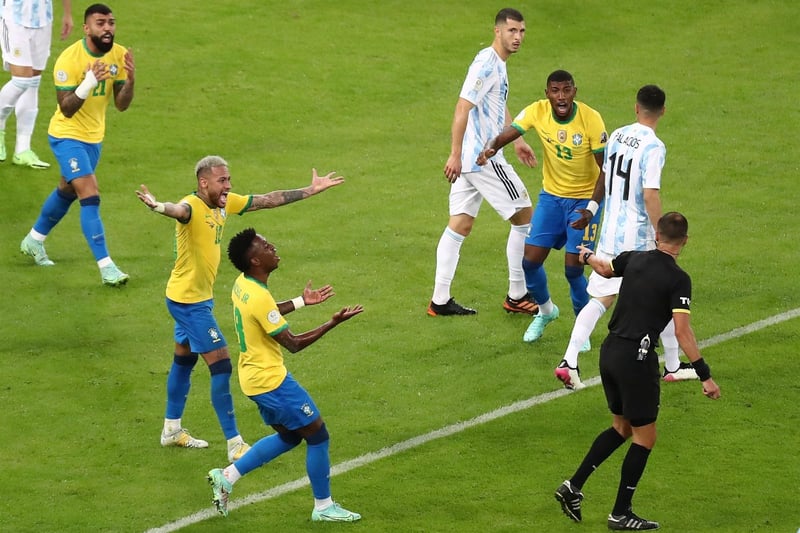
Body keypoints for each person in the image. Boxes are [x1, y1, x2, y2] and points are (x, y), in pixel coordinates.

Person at [135, 155, 345, 463]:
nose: (228, 185)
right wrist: (157, 206)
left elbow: (266, 200)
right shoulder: (192, 206)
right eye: (222, 180)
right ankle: (235, 443)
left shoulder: (223, 204)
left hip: (197, 298)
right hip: (188, 303)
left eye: (228, 180)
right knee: (220, 364)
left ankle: (171, 429)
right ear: (203, 182)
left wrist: (310, 190)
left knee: (184, 359)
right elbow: (178, 211)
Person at [554, 212, 721, 531]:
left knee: (621, 427)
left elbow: (604, 268)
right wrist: (705, 375)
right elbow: (683, 333)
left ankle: (572, 487)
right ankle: (620, 512)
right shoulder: (678, 279)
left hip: (610, 351)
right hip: (637, 360)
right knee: (645, 437)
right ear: (685, 241)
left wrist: (587, 256)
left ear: (657, 236)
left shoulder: (634, 258)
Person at [206, 227, 363, 522]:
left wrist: (302, 302)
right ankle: (324, 507)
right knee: (318, 435)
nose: (272, 247)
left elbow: (266, 314)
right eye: (265, 246)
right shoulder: (258, 295)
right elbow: (293, 344)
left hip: (253, 379)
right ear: (254, 261)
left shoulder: (243, 284)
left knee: (291, 436)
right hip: (271, 382)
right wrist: (332, 323)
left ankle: (227, 475)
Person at [554, 85, 698, 390]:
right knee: (665, 299)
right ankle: (672, 366)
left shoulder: (618, 134)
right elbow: (650, 194)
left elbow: (604, 174)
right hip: (641, 240)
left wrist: (592, 209)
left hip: (609, 235)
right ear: (663, 111)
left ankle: (569, 361)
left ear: (636, 107)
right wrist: (661, 235)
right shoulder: (654, 147)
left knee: (599, 300)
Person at [477, 69, 607, 342]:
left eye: (567, 90)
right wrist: (491, 147)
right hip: (551, 198)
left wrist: (592, 209)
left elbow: (605, 171)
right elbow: (509, 132)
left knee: (573, 269)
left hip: (584, 201)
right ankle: (546, 311)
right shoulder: (538, 111)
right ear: (547, 93)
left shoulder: (591, 119)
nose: (561, 97)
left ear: (575, 91)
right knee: (530, 262)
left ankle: (581, 335)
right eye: (555, 91)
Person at [428, 7, 539, 317]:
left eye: (522, 32)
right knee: (525, 218)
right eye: (512, 31)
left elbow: (497, 105)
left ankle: (439, 300)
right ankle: (517, 295)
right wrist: (455, 154)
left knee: (459, 224)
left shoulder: (498, 64)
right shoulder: (486, 65)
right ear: (497, 31)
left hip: (473, 158)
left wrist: (516, 139)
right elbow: (462, 108)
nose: (517, 37)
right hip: (482, 157)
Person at [19, 3, 133, 286]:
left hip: (94, 139)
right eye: (100, 23)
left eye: (111, 22)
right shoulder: (69, 59)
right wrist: (89, 80)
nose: (107, 28)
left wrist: (130, 80)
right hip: (66, 135)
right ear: (87, 28)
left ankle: (34, 239)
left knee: (67, 189)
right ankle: (107, 267)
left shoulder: (119, 54)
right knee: (90, 194)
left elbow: (121, 105)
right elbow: (67, 108)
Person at [0, 0, 73, 168]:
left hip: (43, 19)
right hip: (14, 16)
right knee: (21, 79)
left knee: (33, 81)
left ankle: (23, 149)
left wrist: (67, 13)